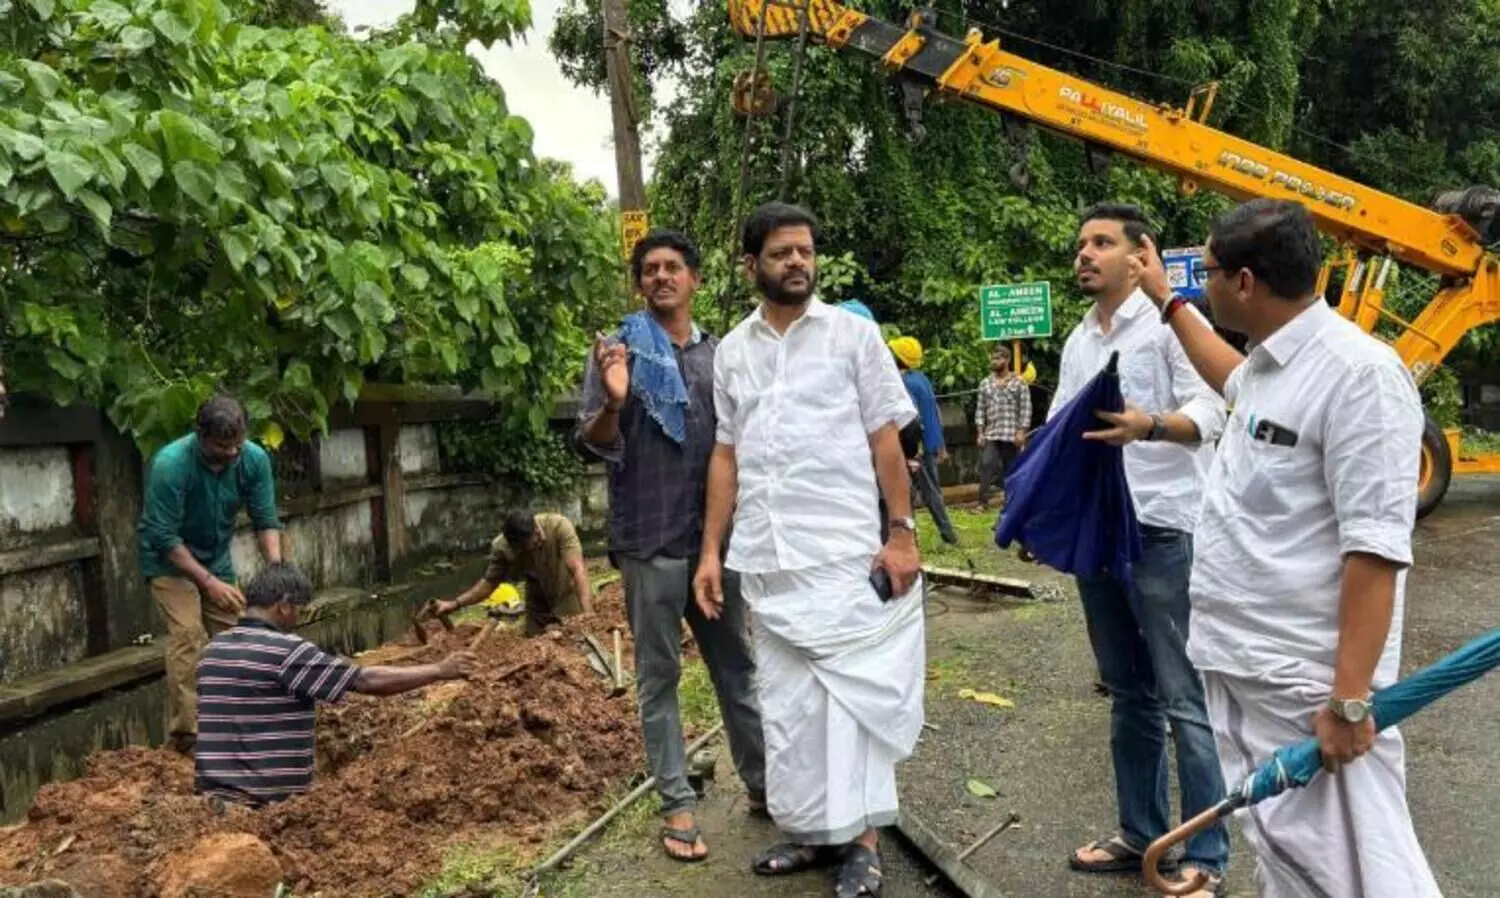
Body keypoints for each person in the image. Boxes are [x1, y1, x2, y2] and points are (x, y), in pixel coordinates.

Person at [1140, 198, 1440, 897]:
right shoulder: (1271, 366)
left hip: (1305, 681)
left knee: (1356, 869)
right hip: (1248, 665)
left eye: (1205, 271)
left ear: (1244, 282)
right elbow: (1228, 378)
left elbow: (1375, 550)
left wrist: (1350, 700)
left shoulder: (1358, 375)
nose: (1201, 283)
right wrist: (1166, 300)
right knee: (1292, 857)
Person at [693, 201, 925, 898]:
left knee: (846, 700)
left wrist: (901, 532)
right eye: (781, 253)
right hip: (767, 556)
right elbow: (725, 455)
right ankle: (811, 830)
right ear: (751, 265)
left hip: (842, 549)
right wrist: (711, 550)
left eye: (805, 251)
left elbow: (887, 440)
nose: (797, 262)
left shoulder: (853, 337)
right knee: (788, 704)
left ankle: (860, 841)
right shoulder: (732, 351)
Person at [1054, 203, 1230, 894]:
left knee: (1185, 696)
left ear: (1141, 254)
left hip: (1163, 529)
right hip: (1100, 534)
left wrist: (1149, 426)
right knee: (1129, 692)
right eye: (1081, 244)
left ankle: (1206, 856)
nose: (1085, 254)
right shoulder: (1078, 340)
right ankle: (1140, 833)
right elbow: (1062, 432)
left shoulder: (1171, 327)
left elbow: (1215, 411)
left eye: (1102, 242)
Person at [575, 228, 766, 863]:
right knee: (659, 677)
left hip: (715, 544)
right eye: (650, 269)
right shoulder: (615, 350)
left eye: (673, 267)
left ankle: (767, 786)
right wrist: (615, 400)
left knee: (736, 666)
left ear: (695, 280)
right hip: (648, 541)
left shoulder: (723, 356)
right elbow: (593, 440)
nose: (661, 276)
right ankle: (677, 802)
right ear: (638, 284)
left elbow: (735, 449)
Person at [195, 563, 475, 806]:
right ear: (283, 606)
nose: (297, 621)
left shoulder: (212, 650)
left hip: (209, 802)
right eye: (299, 612)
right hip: (262, 804)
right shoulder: (287, 651)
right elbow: (364, 681)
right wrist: (439, 670)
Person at [138, 395, 285, 756]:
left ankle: (244, 723)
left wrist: (278, 571)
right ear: (199, 434)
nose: (231, 453)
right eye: (222, 447)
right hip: (170, 563)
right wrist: (208, 582)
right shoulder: (171, 465)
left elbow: (265, 518)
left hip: (216, 559)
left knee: (241, 635)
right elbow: (163, 537)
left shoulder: (253, 459)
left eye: (236, 445)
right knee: (188, 636)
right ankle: (186, 737)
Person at [431, 510, 593, 636]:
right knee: (535, 643)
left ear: (536, 528)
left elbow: (577, 569)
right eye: (525, 547)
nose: (535, 544)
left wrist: (589, 615)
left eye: (534, 540)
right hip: (537, 601)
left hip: (566, 593)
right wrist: (454, 604)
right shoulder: (503, 548)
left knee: (574, 638)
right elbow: (488, 585)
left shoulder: (559, 526)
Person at [888, 336, 959, 545]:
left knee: (918, 493)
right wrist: (941, 444)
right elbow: (935, 411)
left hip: (916, 447)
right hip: (930, 442)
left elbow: (912, 418)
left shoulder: (901, 383)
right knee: (931, 491)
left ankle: (947, 536)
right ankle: (945, 534)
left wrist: (913, 450)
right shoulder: (921, 378)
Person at [974, 347, 1032, 509]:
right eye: (992, 359)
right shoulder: (985, 383)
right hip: (991, 433)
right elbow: (980, 409)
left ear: (1007, 360)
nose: (994, 362)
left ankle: (1011, 502)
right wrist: (980, 432)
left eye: (998, 359)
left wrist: (1022, 432)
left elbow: (1026, 408)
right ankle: (982, 502)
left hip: (1011, 434)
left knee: (1011, 468)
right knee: (987, 464)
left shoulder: (1019, 382)